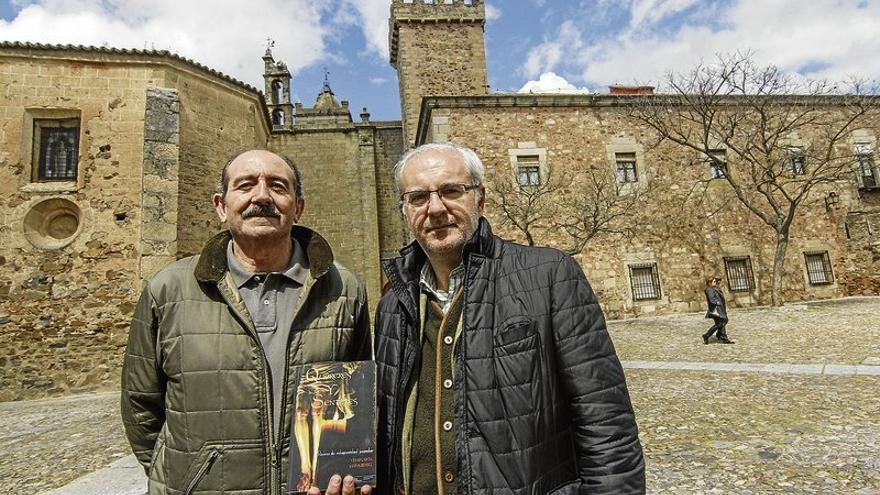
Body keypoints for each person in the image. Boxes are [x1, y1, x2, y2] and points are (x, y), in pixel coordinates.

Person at [371, 143, 645, 495]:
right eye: (419, 197)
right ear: (405, 210)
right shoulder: (392, 307)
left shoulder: (550, 276)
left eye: (451, 191)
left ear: (480, 199)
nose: (436, 208)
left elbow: (606, 424)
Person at [121, 149, 372, 495]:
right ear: (221, 206)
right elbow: (140, 407)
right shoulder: (168, 290)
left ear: (297, 208)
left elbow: (356, 402)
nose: (262, 196)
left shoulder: (343, 290)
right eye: (246, 185)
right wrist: (189, 478)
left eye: (278, 187)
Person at [703, 276, 734, 344]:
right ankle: (707, 335)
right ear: (710, 282)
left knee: (722, 323)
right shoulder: (709, 289)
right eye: (714, 281)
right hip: (716, 310)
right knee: (720, 323)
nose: (716, 282)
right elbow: (712, 300)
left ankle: (722, 336)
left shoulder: (714, 288)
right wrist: (718, 303)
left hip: (720, 309)